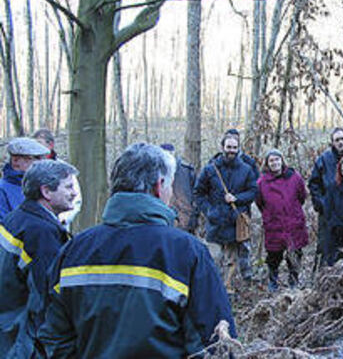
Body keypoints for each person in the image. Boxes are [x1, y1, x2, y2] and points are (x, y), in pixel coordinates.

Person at [37, 143, 236, 357]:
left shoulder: (73, 251)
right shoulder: (188, 253)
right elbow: (218, 345)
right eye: (170, 187)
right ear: (159, 186)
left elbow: (53, 338)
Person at [0, 160, 78, 357]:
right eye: (68, 187)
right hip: (22, 340)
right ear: (46, 192)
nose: (74, 194)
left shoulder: (17, 217)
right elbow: (47, 296)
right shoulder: (41, 233)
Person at [194, 134, 258, 282]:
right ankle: (211, 287)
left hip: (234, 223)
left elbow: (254, 192)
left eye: (235, 147)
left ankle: (227, 289)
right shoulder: (210, 169)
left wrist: (237, 198)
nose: (231, 150)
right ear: (222, 147)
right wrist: (209, 210)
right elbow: (198, 192)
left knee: (231, 262)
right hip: (215, 223)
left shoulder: (246, 169)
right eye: (229, 147)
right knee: (213, 260)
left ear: (238, 149)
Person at [308, 127, 343, 266]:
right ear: (332, 142)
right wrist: (322, 204)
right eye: (337, 140)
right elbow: (314, 184)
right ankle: (322, 275)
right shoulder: (324, 159)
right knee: (325, 247)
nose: (340, 142)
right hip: (329, 212)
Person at [256, 149, 309, 291]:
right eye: (271, 160)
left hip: (294, 222)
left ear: (282, 160)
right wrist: (270, 215)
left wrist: (293, 210)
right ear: (267, 164)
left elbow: (302, 196)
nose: (275, 163)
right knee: (274, 256)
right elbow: (259, 203)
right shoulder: (262, 182)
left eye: (277, 159)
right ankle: (273, 281)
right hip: (274, 224)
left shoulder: (295, 177)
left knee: (295, 253)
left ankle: (293, 281)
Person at [0, 137, 50, 220]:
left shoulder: (42, 186)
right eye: (35, 158)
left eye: (42, 158)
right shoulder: (2, 190)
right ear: (15, 161)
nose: (41, 162)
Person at [160, 143, 198, 233]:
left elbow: (197, 195)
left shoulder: (187, 171)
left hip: (185, 224)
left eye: (170, 154)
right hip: (161, 224)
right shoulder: (152, 172)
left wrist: (193, 220)